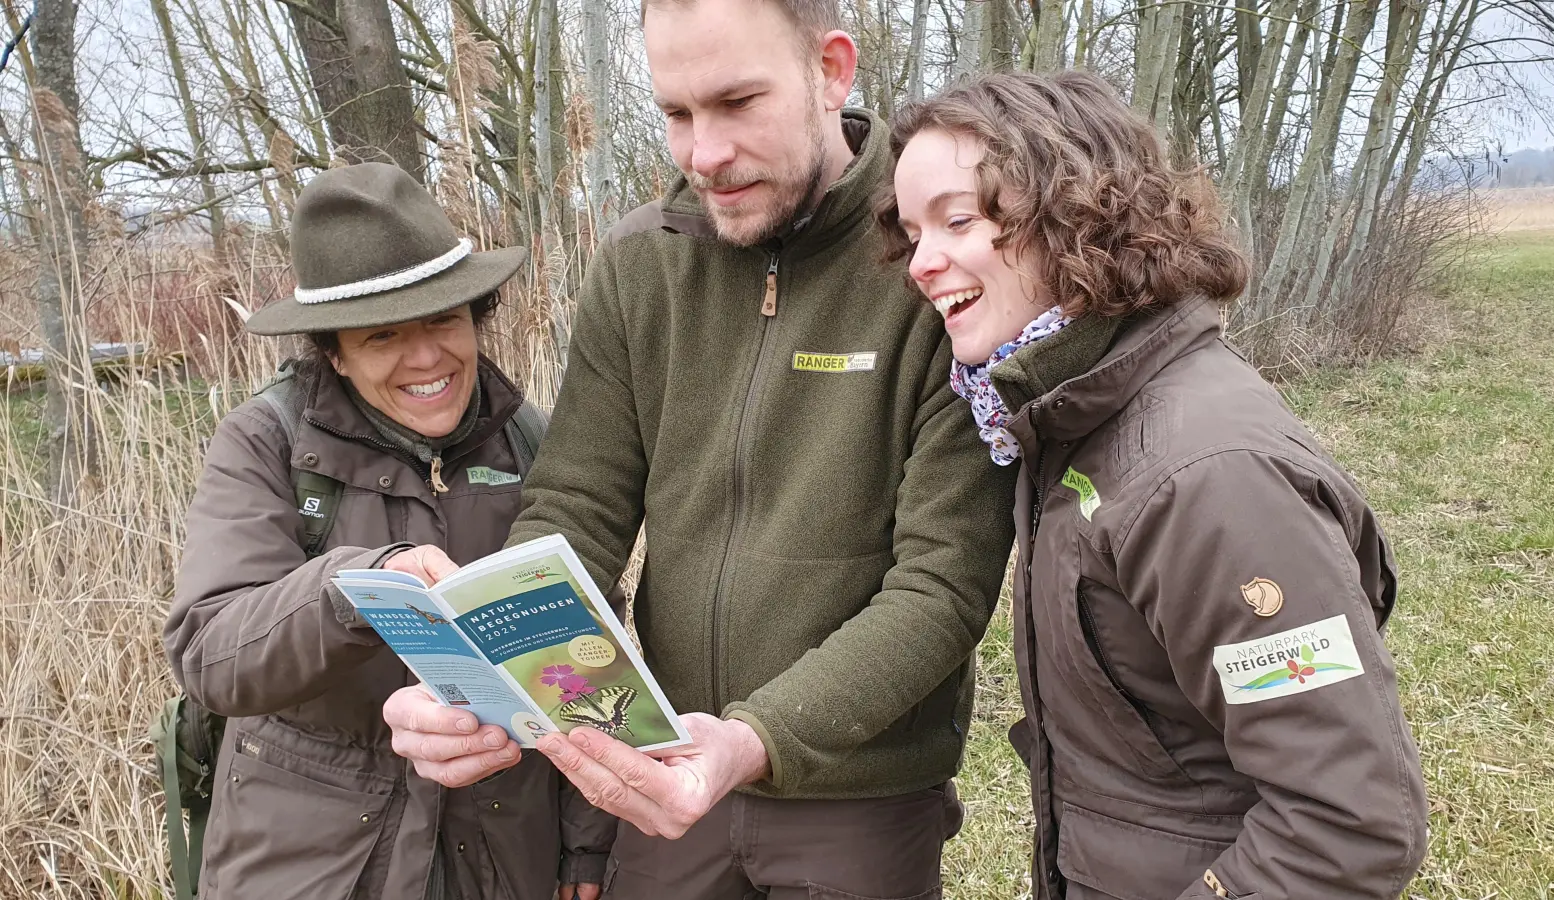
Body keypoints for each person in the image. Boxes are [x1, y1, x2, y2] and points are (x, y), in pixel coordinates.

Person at [378, 0, 1016, 896]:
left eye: (737, 102)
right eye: (677, 114)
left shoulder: (930, 265)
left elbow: (942, 588)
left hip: (859, 797)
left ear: (831, 71)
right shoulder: (641, 265)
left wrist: (757, 739)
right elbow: (577, 510)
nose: (703, 154)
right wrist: (486, 678)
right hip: (664, 770)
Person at [878, 72, 1428, 900]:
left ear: (1076, 213)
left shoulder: (1204, 476)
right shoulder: (1069, 417)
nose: (923, 263)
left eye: (959, 220)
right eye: (913, 231)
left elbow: (1346, 822)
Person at [164, 163, 603, 900]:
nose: (427, 357)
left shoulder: (532, 443)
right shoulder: (265, 443)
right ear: (334, 352)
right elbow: (211, 653)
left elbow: (590, 652)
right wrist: (356, 590)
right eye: (384, 335)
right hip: (313, 863)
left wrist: (586, 848)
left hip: (503, 855)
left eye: (444, 320)